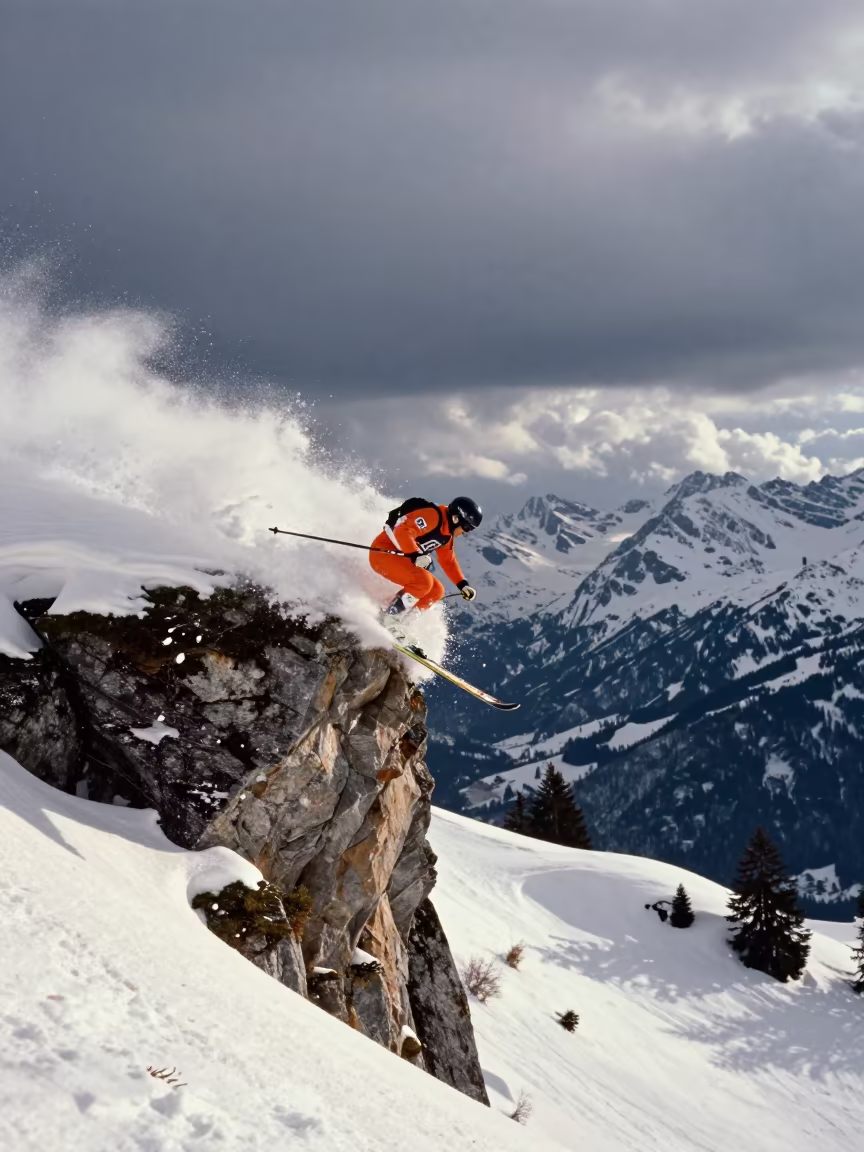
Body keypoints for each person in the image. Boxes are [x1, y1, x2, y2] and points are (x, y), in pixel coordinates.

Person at [369, 496, 482, 616]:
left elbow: (448, 561)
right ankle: (389, 616)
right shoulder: (433, 516)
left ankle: (404, 622)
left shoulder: (446, 534)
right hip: (383, 553)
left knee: (437, 591)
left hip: (401, 560)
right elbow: (403, 531)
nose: (465, 532)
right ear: (456, 518)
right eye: (467, 527)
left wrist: (462, 585)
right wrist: (415, 554)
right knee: (424, 583)